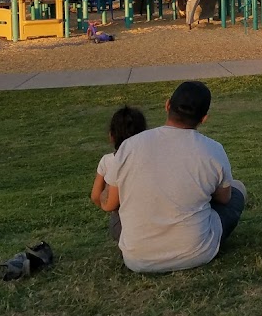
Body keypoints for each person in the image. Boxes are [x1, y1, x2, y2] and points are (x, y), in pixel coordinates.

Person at [101, 80, 246, 273]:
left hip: (138, 259)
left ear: (167, 105)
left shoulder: (129, 146)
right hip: (197, 252)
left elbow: (111, 201)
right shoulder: (213, 150)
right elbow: (224, 198)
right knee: (238, 190)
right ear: (204, 118)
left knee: (119, 213)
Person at [90, 106, 148, 241]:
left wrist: (111, 206)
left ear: (111, 136)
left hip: (122, 224)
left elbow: (95, 196)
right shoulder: (150, 158)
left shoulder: (107, 161)